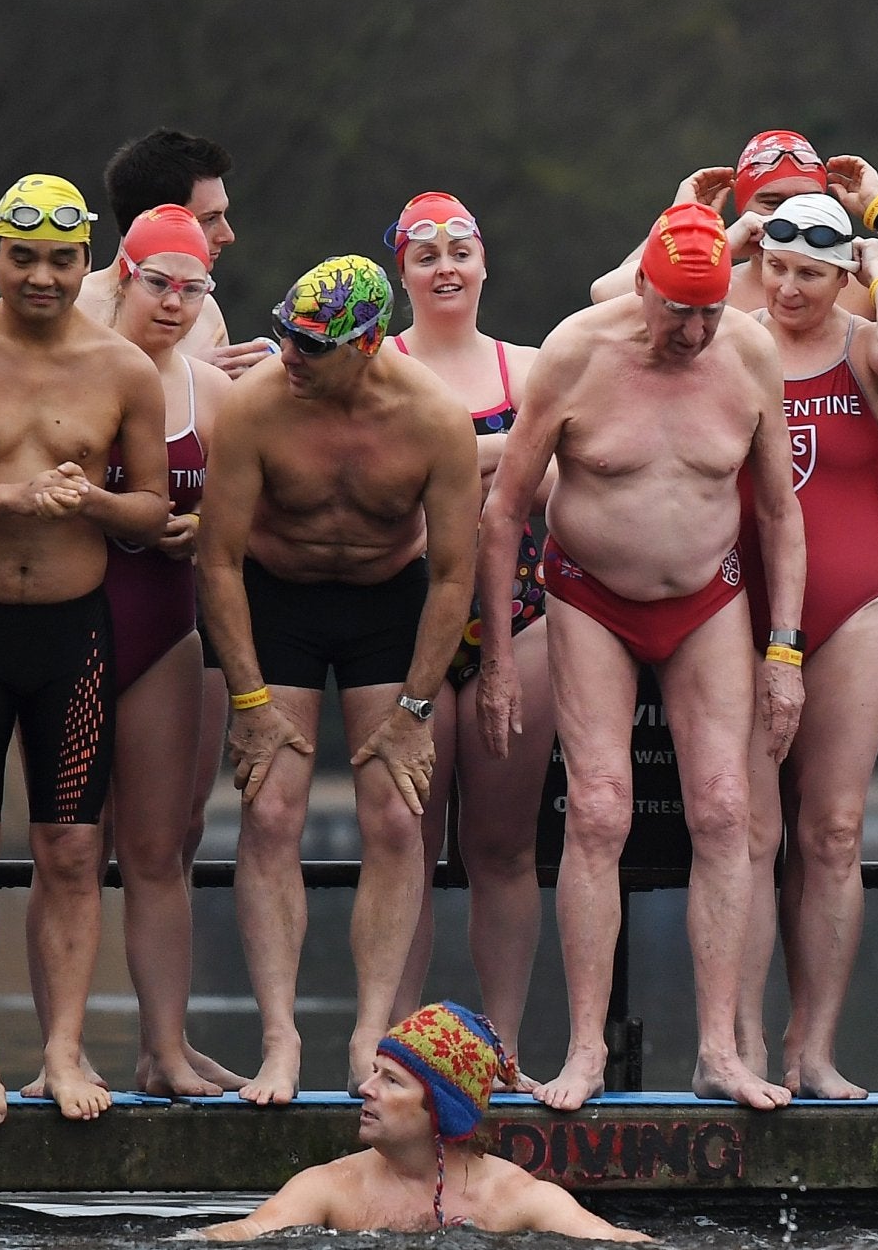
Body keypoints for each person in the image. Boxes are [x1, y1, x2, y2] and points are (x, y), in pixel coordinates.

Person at [476, 205, 804, 1111]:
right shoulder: (577, 351)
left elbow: (779, 513)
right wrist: (500, 657)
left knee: (727, 809)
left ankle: (718, 1050)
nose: (693, 334)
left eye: (707, 314)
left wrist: (786, 651)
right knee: (599, 813)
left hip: (709, 598)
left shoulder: (747, 354)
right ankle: (582, 1049)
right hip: (588, 594)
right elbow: (506, 512)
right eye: (676, 313)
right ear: (643, 288)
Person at [0, 174, 170, 1122]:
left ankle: (61, 1052)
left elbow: (149, 507)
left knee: (70, 848)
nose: (42, 277)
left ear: (88, 262)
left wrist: (91, 502)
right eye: (24, 258)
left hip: (74, 633)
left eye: (61, 260)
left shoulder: (123, 367)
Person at [199, 255, 481, 1102]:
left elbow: (453, 576)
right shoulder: (256, 409)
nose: (289, 357)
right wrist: (248, 701)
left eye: (311, 348)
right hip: (276, 599)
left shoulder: (435, 418)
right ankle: (280, 1039)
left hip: (384, 606)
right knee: (271, 809)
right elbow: (216, 562)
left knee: (397, 819)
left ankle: (369, 1035)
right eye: (287, 336)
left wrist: (415, 709)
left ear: (365, 344)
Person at [733, 192, 878, 1099]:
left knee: (836, 832)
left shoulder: (864, 344)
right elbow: (609, 297)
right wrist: (734, 237)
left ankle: (811, 1049)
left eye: (809, 273)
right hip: (738, 602)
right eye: (775, 268)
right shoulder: (728, 336)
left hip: (854, 595)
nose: (787, 288)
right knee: (747, 830)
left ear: (841, 271)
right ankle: (735, 1042)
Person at [379, 193, 550, 1054]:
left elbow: (561, 476)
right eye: (425, 255)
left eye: (459, 251)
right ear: (402, 272)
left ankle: (505, 1046)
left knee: (503, 846)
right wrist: (507, 452)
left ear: (484, 262)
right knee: (403, 844)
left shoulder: (530, 367)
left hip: (520, 623)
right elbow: (382, 483)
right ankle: (399, 1046)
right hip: (408, 628)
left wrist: (445, 457)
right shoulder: (382, 365)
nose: (445, 267)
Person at [100, 205, 244, 1098]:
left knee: (160, 851)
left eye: (194, 290)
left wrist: (203, 527)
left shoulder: (211, 392)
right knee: (67, 849)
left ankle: (164, 1050)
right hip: (71, 624)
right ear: (122, 277)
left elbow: (240, 520)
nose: (175, 303)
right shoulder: (75, 374)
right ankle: (60, 1054)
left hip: (165, 626)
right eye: (159, 283)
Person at [196, 1002, 650, 1241]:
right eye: (374, 1072)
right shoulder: (330, 1187)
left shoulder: (516, 1198)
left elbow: (618, 1245)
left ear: (440, 1109)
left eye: (391, 1080)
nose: (368, 1088)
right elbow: (247, 1233)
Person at [588, 132, 878, 313]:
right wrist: (686, 224)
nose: (790, 216)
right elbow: (607, 295)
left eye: (806, 201)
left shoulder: (856, 281)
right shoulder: (709, 285)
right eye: (772, 203)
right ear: (743, 210)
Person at [77, 128, 269, 376]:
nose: (227, 236)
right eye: (209, 219)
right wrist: (187, 377)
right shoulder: (73, 309)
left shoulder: (205, 309)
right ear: (157, 219)